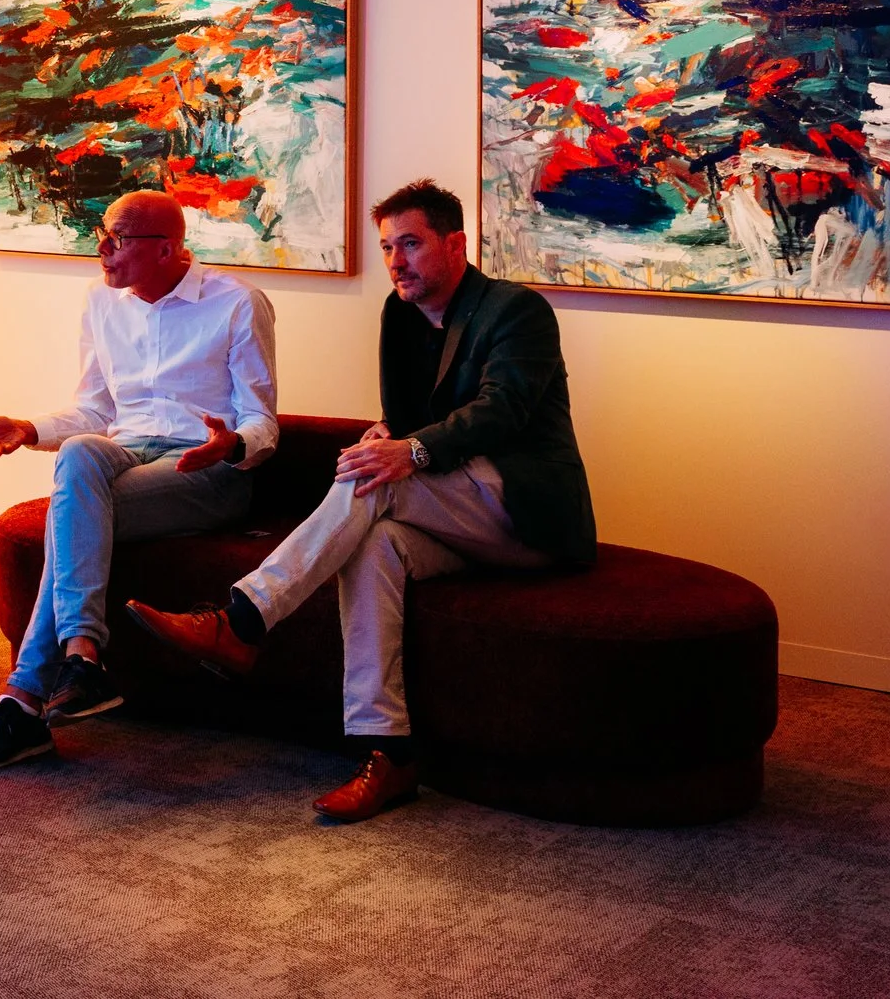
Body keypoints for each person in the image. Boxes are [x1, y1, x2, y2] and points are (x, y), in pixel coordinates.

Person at [129, 179, 596, 822]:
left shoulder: (516, 310)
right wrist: (389, 434)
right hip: (455, 516)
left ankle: (242, 621)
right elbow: (405, 414)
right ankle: (388, 752)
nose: (396, 261)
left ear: (455, 244)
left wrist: (411, 451)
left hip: (526, 517)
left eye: (411, 243)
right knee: (374, 544)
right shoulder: (399, 313)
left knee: (370, 480)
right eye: (386, 246)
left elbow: (503, 412)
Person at [0, 189, 279, 772]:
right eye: (102, 232)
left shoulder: (237, 303)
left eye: (118, 239)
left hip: (204, 471)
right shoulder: (102, 302)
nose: (102, 249)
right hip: (124, 454)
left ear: (168, 248)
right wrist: (30, 427)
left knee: (69, 518)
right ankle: (80, 657)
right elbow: (96, 413)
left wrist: (233, 444)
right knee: (77, 451)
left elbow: (261, 420)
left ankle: (25, 699)